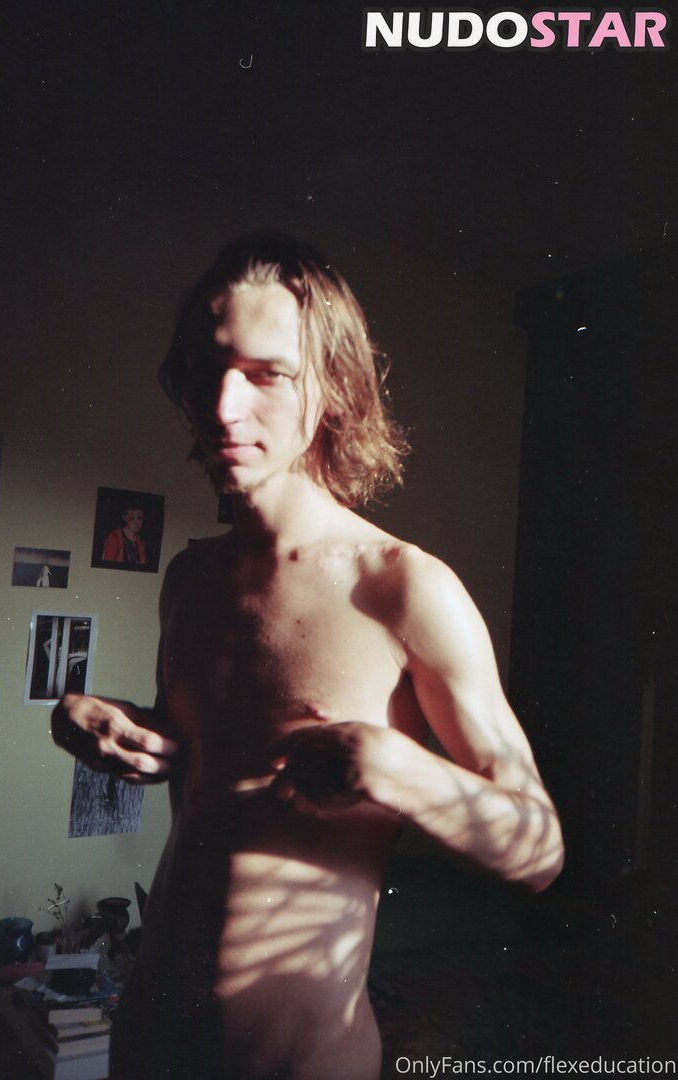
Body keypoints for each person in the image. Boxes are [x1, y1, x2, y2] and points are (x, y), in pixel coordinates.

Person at [52, 233, 564, 1080]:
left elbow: (541, 851)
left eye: (267, 374)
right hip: (146, 1046)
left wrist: (399, 770)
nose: (224, 407)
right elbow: (210, 758)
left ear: (332, 385)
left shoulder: (405, 588)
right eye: (209, 368)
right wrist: (90, 721)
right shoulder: (188, 579)